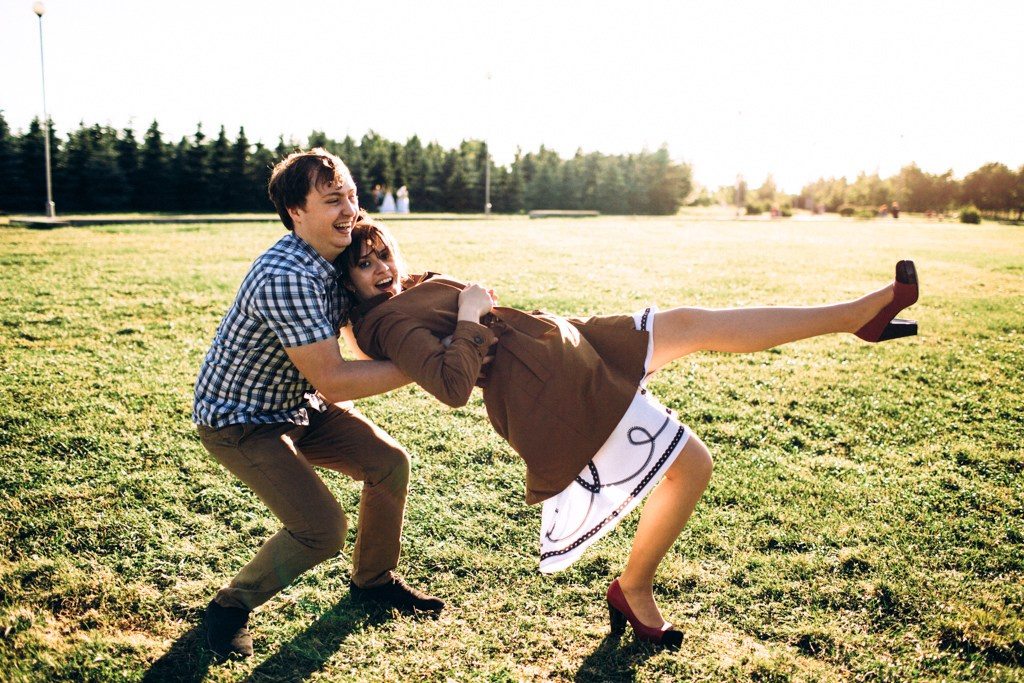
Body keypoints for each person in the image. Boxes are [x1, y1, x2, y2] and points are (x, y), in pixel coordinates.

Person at [336, 217, 919, 647]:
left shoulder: (406, 289)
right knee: (692, 464)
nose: (383, 267)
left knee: (693, 323)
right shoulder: (384, 321)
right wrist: (468, 312)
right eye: (364, 263)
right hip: (550, 389)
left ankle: (853, 317)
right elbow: (450, 386)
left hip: (564, 341)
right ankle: (634, 588)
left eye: (383, 252)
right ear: (347, 282)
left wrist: (477, 308)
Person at [192, 149, 444, 660]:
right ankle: (228, 608)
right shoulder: (289, 274)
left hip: (296, 405)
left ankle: (373, 582)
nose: (350, 209)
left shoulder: (334, 256)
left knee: (389, 464)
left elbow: (364, 332)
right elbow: (335, 381)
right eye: (333, 200)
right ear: (295, 213)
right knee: (321, 530)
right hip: (241, 421)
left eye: (351, 195)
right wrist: (430, 364)